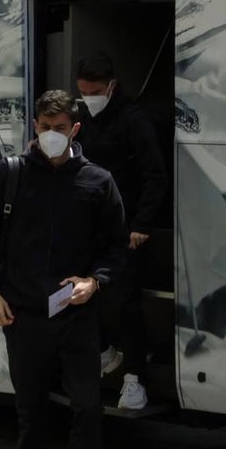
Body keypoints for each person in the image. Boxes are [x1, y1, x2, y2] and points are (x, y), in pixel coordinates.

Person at [0, 89, 127, 449]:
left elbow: (117, 248)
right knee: (30, 413)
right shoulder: (9, 175)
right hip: (24, 316)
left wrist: (94, 282)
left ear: (75, 129)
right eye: (44, 126)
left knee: (88, 408)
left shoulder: (98, 181)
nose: (51, 135)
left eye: (60, 128)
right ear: (33, 126)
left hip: (77, 317)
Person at [75, 52, 167, 409]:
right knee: (78, 293)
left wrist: (141, 225)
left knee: (126, 303)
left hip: (127, 228)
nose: (90, 98)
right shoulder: (83, 118)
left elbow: (155, 176)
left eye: (95, 91)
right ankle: (102, 351)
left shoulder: (134, 121)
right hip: (90, 225)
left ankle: (134, 378)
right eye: (84, 92)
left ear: (111, 86)